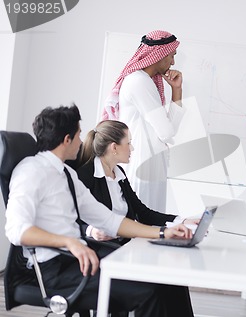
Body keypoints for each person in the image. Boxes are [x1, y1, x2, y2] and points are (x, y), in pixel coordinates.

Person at [4, 105, 193, 316]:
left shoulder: (66, 174)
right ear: (67, 139)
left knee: (166, 281)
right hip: (52, 271)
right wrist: (69, 242)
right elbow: (17, 231)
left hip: (78, 260)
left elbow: (109, 220)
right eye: (78, 135)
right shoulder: (30, 172)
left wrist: (163, 232)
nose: (82, 141)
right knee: (150, 291)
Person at [102, 29, 186, 211]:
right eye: (171, 56)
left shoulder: (144, 80)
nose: (173, 62)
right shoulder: (139, 82)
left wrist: (177, 90)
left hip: (150, 163)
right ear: (159, 55)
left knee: (152, 224)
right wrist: (177, 94)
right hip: (142, 163)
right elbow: (167, 132)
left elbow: (168, 131)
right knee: (143, 224)